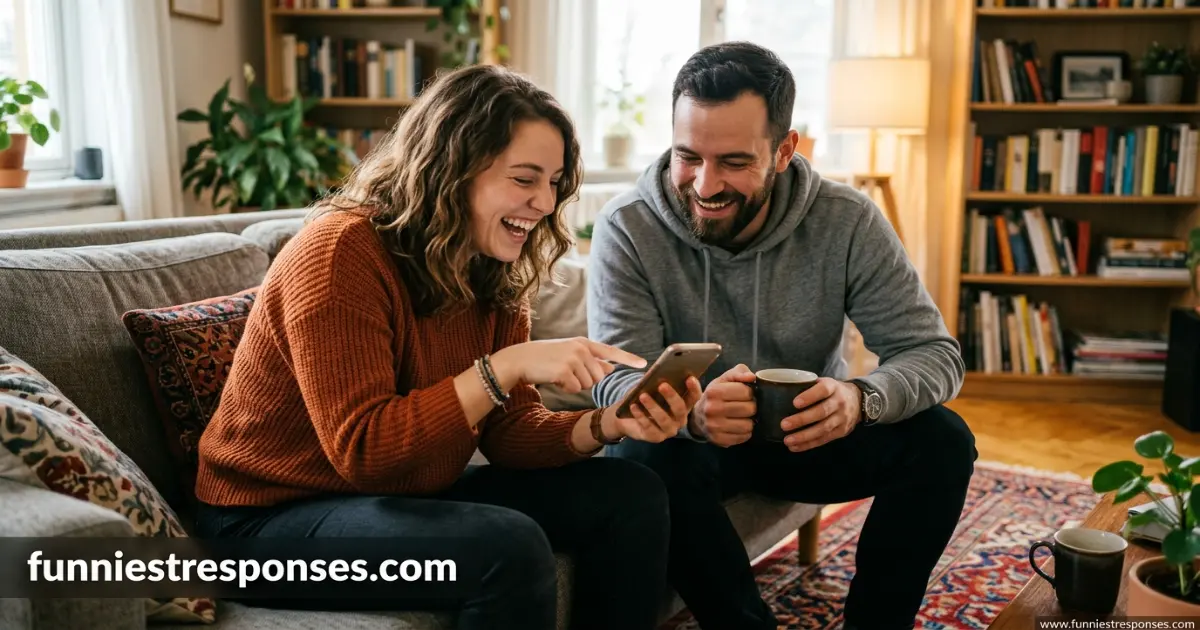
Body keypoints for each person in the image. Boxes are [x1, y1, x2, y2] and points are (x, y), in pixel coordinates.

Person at [193, 64, 702, 630]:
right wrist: (503, 368)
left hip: (397, 495)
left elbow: (509, 436)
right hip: (257, 532)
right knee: (506, 546)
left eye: (554, 181)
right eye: (524, 178)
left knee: (631, 493)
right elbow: (366, 453)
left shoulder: (492, 268)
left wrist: (609, 424)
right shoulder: (340, 253)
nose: (543, 202)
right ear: (451, 169)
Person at [588, 42, 978, 630]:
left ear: (784, 150)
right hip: (694, 455)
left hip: (804, 440)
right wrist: (693, 416)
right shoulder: (629, 226)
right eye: (687, 155)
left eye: (735, 162)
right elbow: (616, 378)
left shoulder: (847, 220)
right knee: (641, 453)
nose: (704, 185)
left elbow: (935, 355)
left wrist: (859, 400)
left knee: (945, 441)